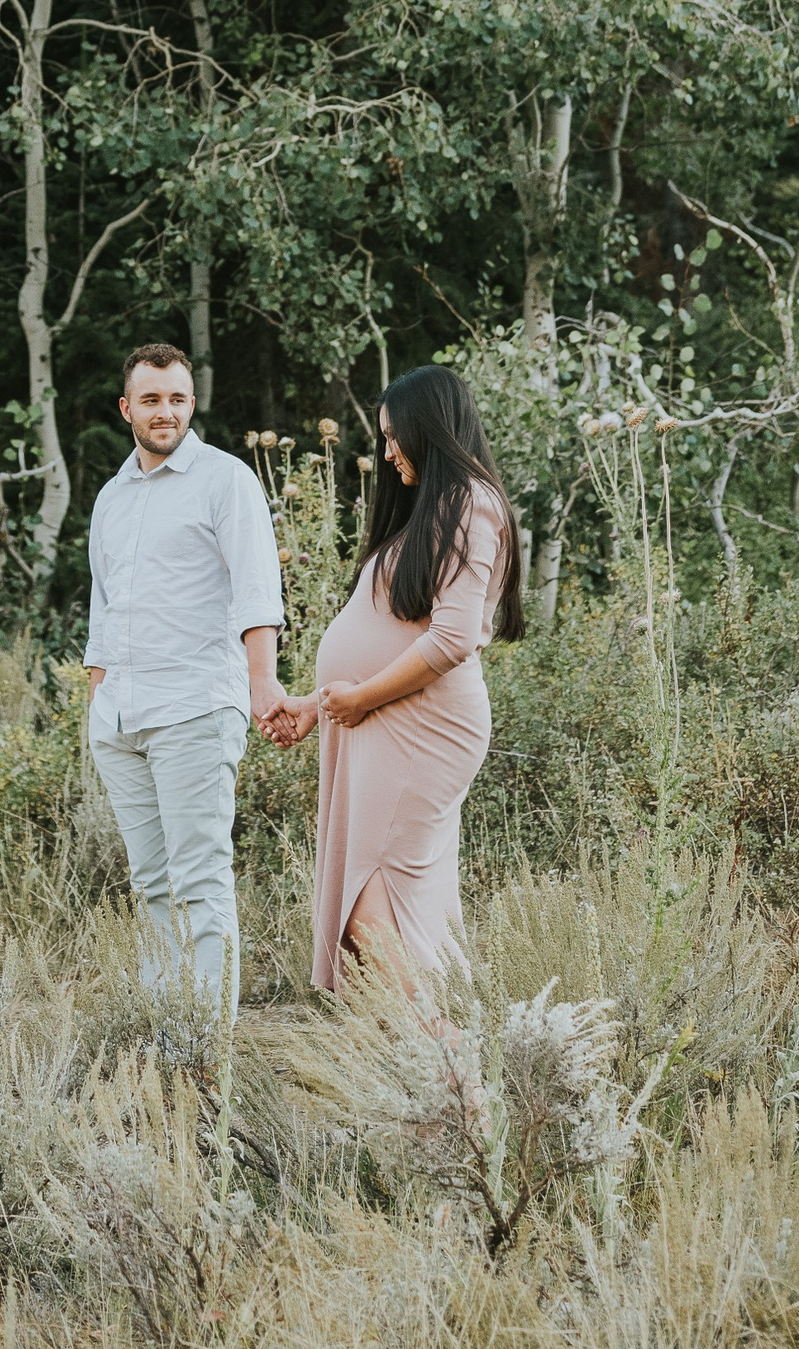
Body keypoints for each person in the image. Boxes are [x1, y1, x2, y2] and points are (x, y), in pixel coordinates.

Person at [264, 362, 524, 992]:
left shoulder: (473, 505)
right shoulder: (431, 511)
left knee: (367, 904)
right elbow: (392, 635)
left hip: (422, 727)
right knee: (386, 903)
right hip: (381, 719)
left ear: (428, 429)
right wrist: (318, 702)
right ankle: (435, 1059)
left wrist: (359, 698)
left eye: (391, 437)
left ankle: (442, 1054)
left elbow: (454, 636)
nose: (386, 454)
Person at [84, 341, 290, 1010]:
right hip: (121, 720)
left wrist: (263, 685)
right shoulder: (112, 498)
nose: (164, 410)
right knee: (149, 886)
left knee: (200, 881)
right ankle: (167, 1037)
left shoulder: (226, 479)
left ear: (192, 404)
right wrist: (98, 702)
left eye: (177, 398)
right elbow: (103, 607)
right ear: (127, 408)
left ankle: (208, 1056)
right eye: (151, 399)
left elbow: (259, 590)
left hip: (195, 708)